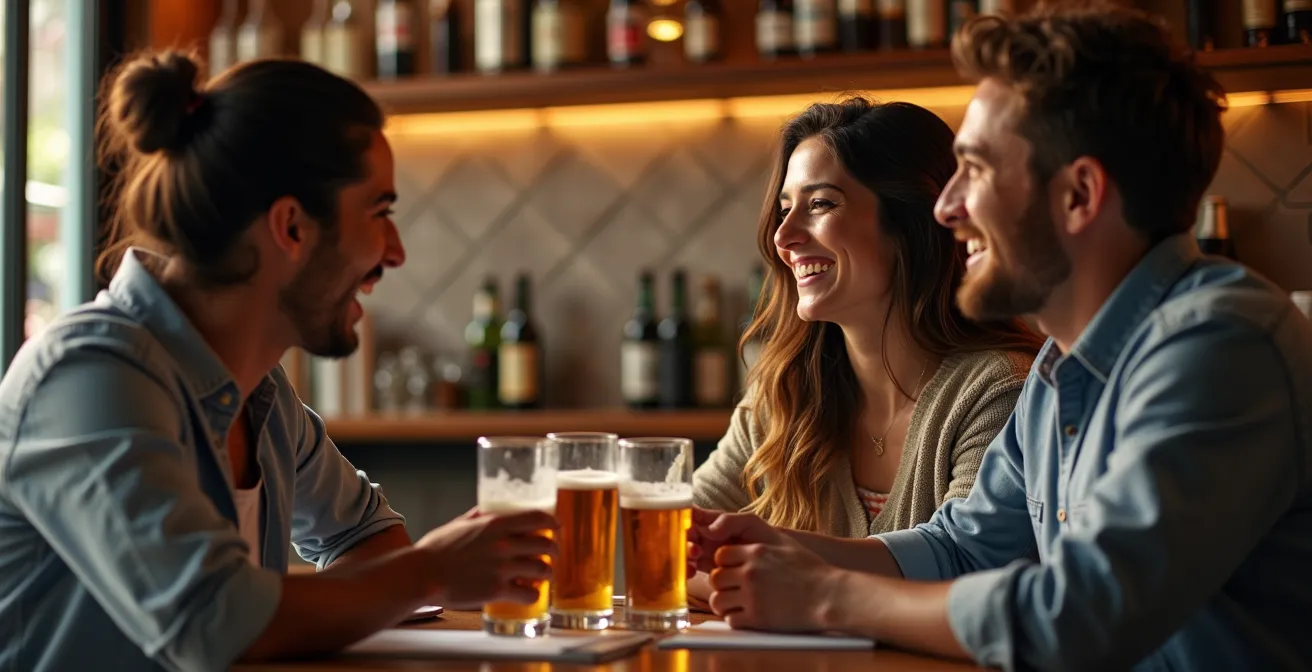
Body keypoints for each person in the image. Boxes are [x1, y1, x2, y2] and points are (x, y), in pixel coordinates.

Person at [689, 4, 1312, 671]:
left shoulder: (1219, 344)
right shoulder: (1058, 369)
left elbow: (1079, 615)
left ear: (1079, 195)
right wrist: (784, 549)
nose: (947, 206)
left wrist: (824, 596)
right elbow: (962, 549)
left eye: (977, 170)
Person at [0, 52, 556, 671]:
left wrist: (429, 570)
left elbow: (366, 539)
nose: (393, 252)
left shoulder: (262, 392)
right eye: (379, 213)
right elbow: (211, 620)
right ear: (291, 227)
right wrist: (431, 572)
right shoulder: (89, 378)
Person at [690, 99, 1043, 605]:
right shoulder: (786, 392)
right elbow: (675, 544)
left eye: (821, 204)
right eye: (785, 208)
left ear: (910, 224)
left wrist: (775, 581)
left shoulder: (995, 390)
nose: (784, 236)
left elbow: (972, 575)